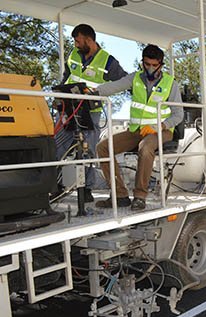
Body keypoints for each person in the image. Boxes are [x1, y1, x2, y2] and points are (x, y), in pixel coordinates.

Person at [95, 44, 183, 211]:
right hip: (136, 130)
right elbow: (114, 86)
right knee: (103, 147)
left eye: (154, 65)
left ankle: (140, 196)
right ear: (143, 63)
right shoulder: (134, 78)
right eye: (147, 64)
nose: (150, 68)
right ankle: (120, 195)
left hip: (162, 131)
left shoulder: (171, 84)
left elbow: (178, 115)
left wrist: (159, 126)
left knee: (145, 147)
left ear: (161, 65)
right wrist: (93, 91)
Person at [55, 24, 127, 202]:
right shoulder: (73, 55)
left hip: (90, 111)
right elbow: (67, 77)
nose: (76, 44)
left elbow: (124, 81)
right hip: (69, 107)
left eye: (78, 41)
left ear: (89, 40)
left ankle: (85, 189)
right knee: (57, 145)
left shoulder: (108, 61)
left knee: (87, 149)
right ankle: (55, 186)